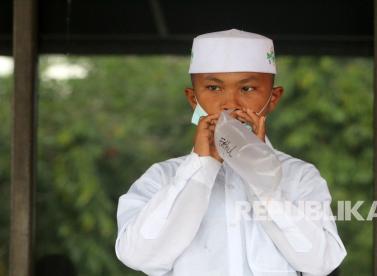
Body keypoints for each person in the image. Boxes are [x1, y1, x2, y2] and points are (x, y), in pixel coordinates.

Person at [115, 28, 346, 276]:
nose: (230, 104)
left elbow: (323, 262)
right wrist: (201, 168)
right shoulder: (162, 177)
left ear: (273, 98)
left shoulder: (299, 176)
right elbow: (137, 256)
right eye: (214, 88)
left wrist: (260, 175)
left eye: (247, 89)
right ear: (193, 100)